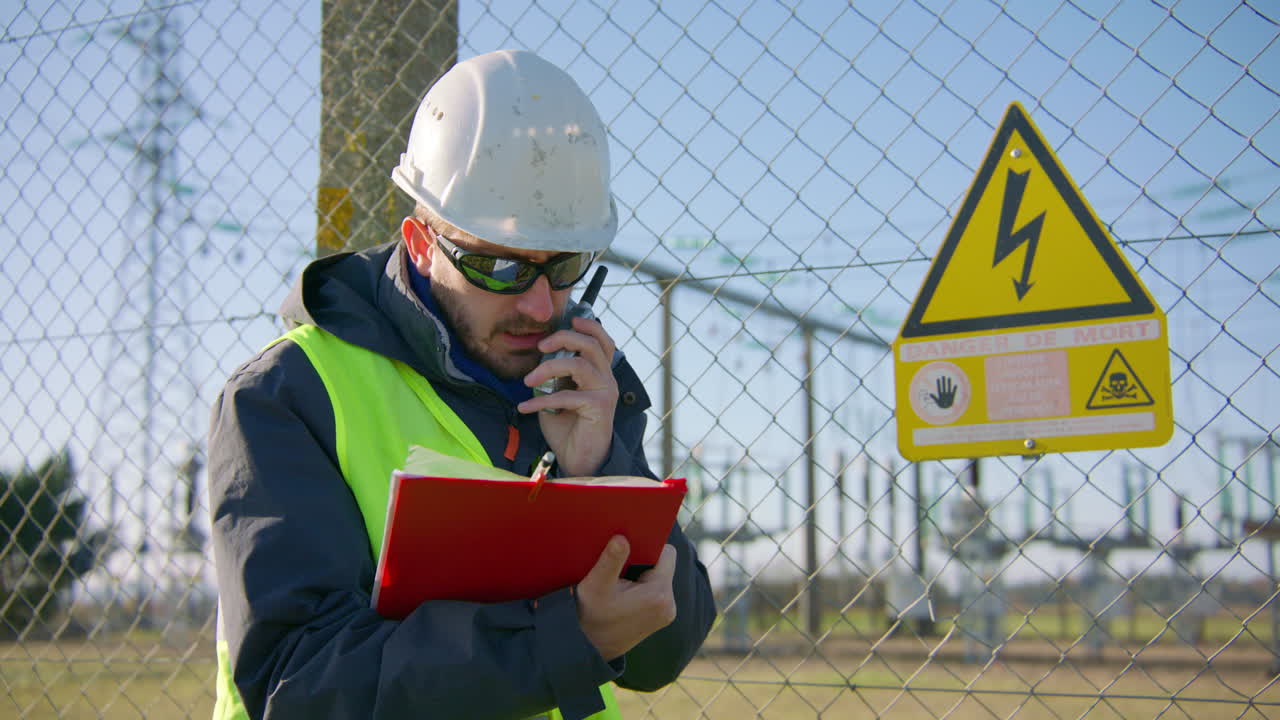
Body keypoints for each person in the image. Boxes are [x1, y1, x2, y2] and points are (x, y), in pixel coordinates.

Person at [207, 49, 716, 720]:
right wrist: (564, 639)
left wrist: (602, 472)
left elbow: (660, 655)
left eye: (564, 265)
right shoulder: (287, 396)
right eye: (500, 267)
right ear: (420, 243)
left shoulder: (580, 380)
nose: (539, 306)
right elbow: (299, 684)